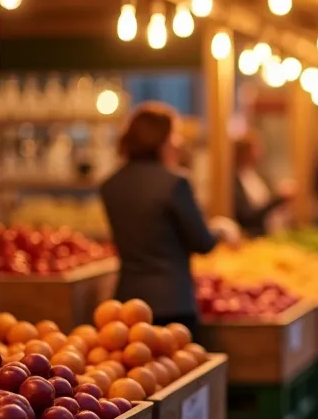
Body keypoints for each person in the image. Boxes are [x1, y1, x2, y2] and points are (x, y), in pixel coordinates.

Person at [101, 102, 239, 332]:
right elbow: (202, 242)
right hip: (173, 302)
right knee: (174, 366)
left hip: (126, 302)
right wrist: (221, 229)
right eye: (174, 135)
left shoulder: (110, 185)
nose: (177, 142)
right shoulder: (175, 183)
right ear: (162, 139)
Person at [232, 133, 289, 238]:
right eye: (257, 148)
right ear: (245, 152)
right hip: (250, 236)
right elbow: (247, 215)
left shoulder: (258, 175)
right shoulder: (235, 180)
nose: (262, 152)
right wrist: (278, 199)